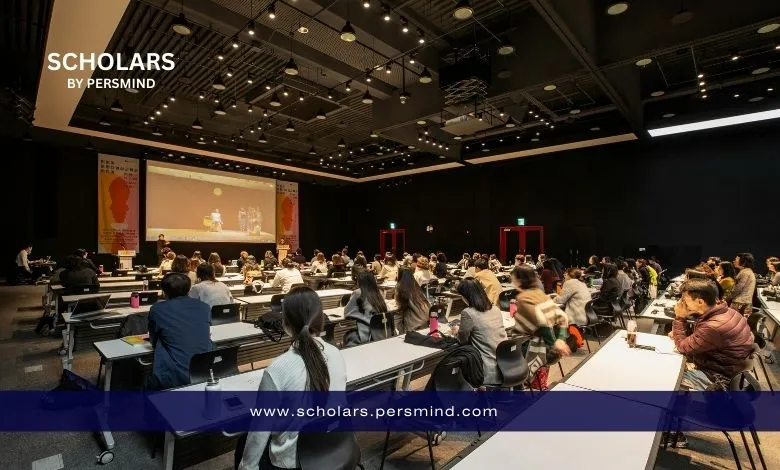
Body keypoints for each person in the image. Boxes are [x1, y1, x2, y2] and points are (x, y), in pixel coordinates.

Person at [237, 287, 347, 470]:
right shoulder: (336, 353)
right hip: (331, 449)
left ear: (285, 323)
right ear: (320, 319)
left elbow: (260, 430)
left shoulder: (279, 368)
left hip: (290, 462)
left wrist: (247, 467)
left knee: (243, 444)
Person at [671, 278, 753, 390]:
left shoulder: (713, 326)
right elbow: (706, 338)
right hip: (724, 366)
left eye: (684, 299)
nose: (681, 303)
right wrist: (682, 333)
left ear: (700, 302)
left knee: (669, 377)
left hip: (716, 378)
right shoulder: (728, 311)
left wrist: (680, 318)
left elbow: (682, 347)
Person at [148, 273, 212, 390]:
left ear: (164, 292)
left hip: (176, 375)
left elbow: (153, 339)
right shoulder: (204, 307)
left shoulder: (157, 309)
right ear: (188, 289)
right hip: (205, 369)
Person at [510, 265, 571, 388]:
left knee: (501, 350)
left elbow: (541, 323)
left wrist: (555, 343)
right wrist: (561, 338)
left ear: (519, 280)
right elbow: (562, 317)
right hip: (547, 347)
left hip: (531, 347)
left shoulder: (523, 297)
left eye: (513, 279)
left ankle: (517, 388)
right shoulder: (540, 294)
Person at [448, 279, 507, 386]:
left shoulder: (468, 313)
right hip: (505, 365)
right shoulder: (495, 309)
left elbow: (463, 341)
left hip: (485, 369)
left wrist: (456, 332)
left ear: (466, 296)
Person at [344, 271, 389, 343]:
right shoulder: (379, 291)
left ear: (360, 282)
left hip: (366, 332)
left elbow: (346, 312)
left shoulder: (357, 292)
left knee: (348, 335)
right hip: (381, 330)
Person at [395, 267, 430, 333]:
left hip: (414, 325)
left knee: (396, 316)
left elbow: (399, 307)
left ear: (400, 275)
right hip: (425, 322)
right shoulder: (416, 286)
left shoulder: (400, 287)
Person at [726, 253, 757, 317]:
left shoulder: (744, 273)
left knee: (734, 323)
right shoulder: (747, 271)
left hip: (739, 304)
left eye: (736, 259)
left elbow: (738, 289)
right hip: (744, 303)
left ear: (743, 262)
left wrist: (727, 299)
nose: (734, 261)